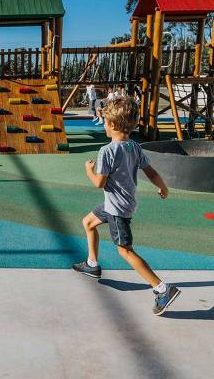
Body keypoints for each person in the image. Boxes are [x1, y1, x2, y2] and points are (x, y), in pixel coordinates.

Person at [72, 96, 180, 315]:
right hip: (119, 203)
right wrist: (163, 187)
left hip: (117, 210)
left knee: (125, 251)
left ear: (112, 125)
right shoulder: (134, 147)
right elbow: (151, 172)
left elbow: (99, 183)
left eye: (104, 122)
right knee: (88, 222)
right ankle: (92, 264)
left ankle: (162, 288)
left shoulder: (107, 151)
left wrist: (88, 170)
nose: (103, 125)